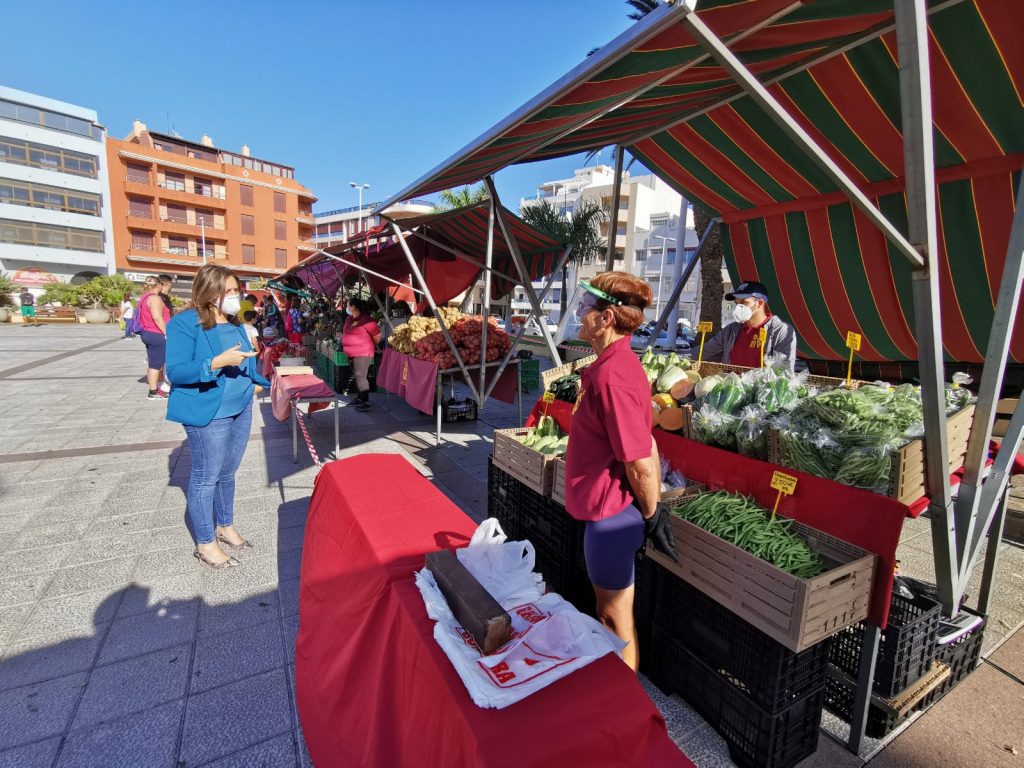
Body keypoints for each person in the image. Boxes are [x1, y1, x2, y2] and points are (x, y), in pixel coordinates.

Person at [564, 272, 677, 672]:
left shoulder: (614, 374)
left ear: (607, 317)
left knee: (614, 619)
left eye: (585, 307)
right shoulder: (612, 364)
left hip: (611, 518)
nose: (579, 313)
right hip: (604, 511)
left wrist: (653, 512)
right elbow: (644, 440)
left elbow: (639, 459)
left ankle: (627, 706)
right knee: (609, 616)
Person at [165, 264, 270, 570]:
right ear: (210, 291)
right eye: (231, 291)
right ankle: (205, 543)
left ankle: (224, 525)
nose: (237, 296)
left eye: (238, 290)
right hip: (209, 412)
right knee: (205, 477)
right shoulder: (185, 324)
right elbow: (175, 371)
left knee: (228, 472)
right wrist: (214, 363)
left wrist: (256, 382)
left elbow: (243, 362)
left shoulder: (235, 322)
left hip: (241, 407)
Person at [700, 280, 797, 369]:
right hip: (732, 387)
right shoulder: (730, 330)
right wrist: (684, 356)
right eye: (737, 303)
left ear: (760, 303)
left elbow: (784, 370)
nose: (738, 307)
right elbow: (705, 350)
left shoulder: (780, 331)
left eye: (744, 302)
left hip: (760, 388)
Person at [342, 298, 381, 411]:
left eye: (348, 305)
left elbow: (377, 335)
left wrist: (371, 345)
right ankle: (359, 398)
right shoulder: (349, 319)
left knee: (361, 376)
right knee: (357, 376)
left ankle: (365, 402)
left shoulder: (367, 320)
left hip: (363, 352)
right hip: (351, 353)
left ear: (353, 306)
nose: (347, 308)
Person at [138, 275, 173, 400]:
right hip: (156, 334)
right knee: (156, 364)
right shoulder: (155, 298)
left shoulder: (144, 297)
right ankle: (153, 392)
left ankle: (155, 388)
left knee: (153, 362)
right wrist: (166, 332)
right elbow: (157, 317)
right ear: (159, 285)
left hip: (147, 333)